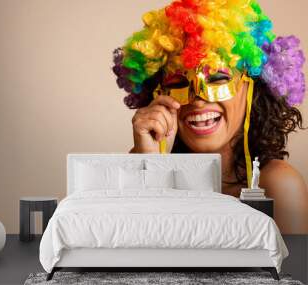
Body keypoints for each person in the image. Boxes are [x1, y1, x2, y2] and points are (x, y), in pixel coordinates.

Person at [112, 0, 308, 234]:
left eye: (217, 79)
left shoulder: (278, 184)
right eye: (178, 83)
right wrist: (150, 166)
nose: (197, 99)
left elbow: (292, 271)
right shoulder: (139, 165)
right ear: (158, 93)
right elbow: (127, 256)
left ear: (253, 86)